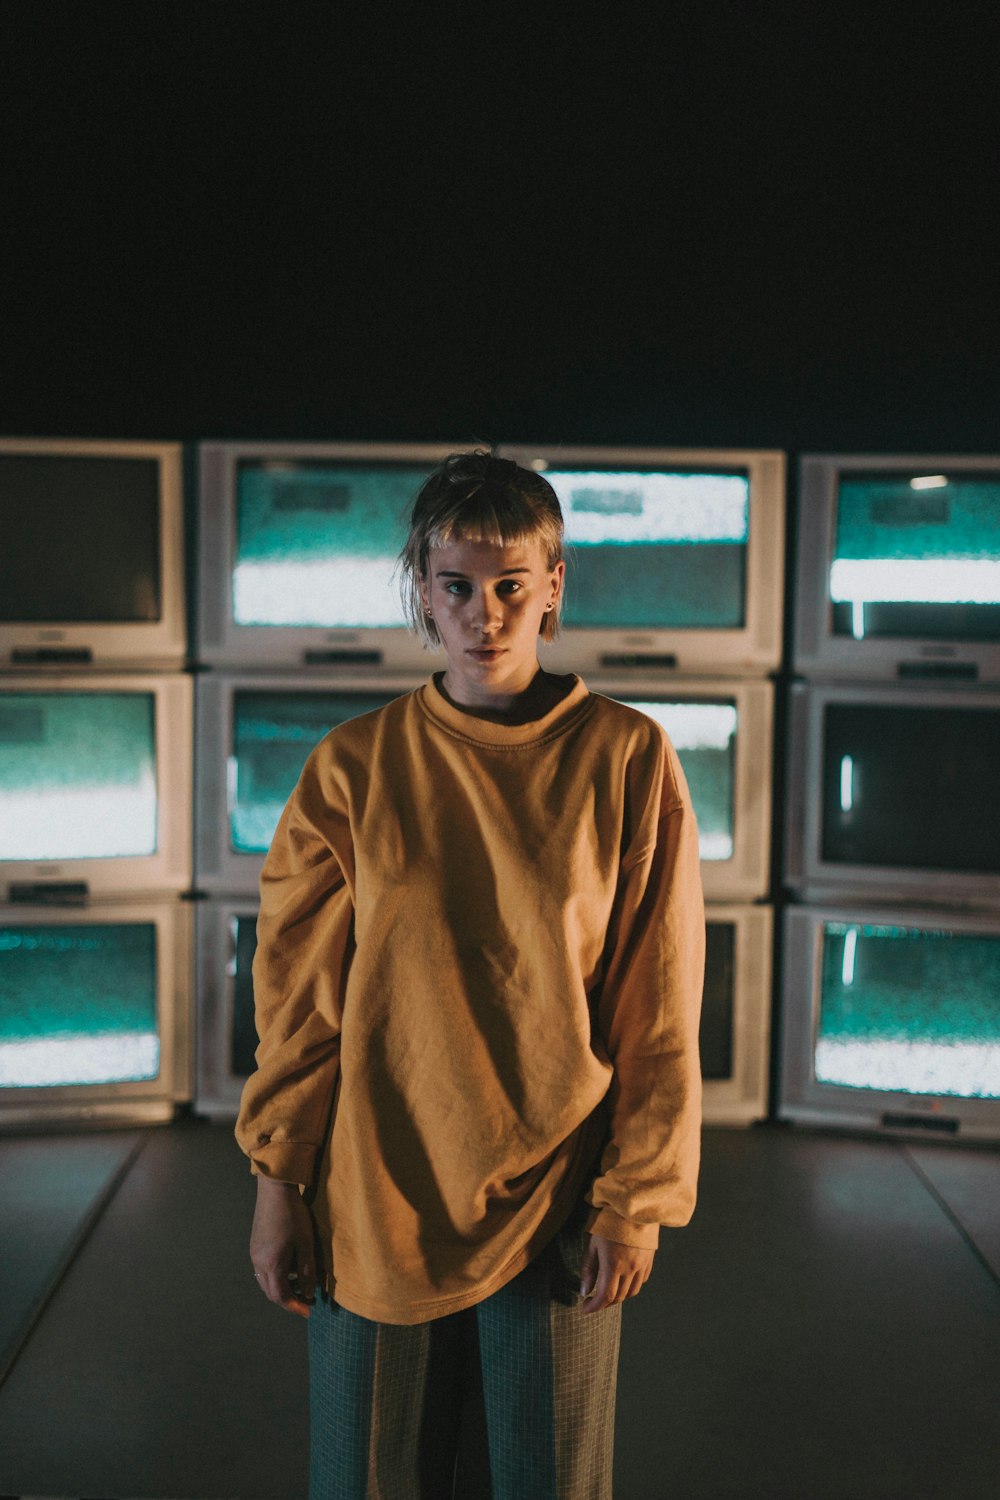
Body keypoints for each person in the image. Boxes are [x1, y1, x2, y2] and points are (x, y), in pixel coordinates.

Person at [235, 450, 705, 1500]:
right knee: (366, 1480)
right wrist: (279, 1180)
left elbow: (657, 1005)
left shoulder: (627, 758)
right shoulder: (353, 768)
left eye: (508, 586)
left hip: (560, 1193)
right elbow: (298, 1004)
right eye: (456, 586)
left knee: (548, 1483)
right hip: (373, 1195)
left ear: (554, 587)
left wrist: (634, 1202)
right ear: (421, 590)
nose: (483, 614)